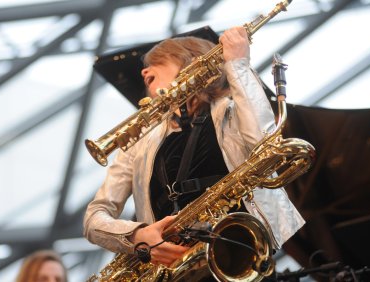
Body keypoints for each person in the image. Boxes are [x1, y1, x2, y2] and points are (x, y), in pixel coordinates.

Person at [83, 26, 305, 269]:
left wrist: (238, 64)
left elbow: (265, 148)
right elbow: (94, 217)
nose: (144, 71)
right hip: (173, 267)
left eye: (157, 61)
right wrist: (137, 236)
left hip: (243, 257)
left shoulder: (232, 111)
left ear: (193, 61)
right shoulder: (138, 141)